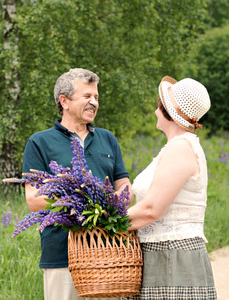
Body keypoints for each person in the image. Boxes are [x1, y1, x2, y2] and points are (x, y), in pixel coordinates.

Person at [22, 68, 132, 300]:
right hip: (62, 255)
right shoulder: (39, 142)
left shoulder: (107, 138)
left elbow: (124, 187)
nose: (94, 102)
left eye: (96, 97)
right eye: (87, 96)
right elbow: (33, 200)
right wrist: (79, 199)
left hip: (108, 252)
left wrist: (117, 202)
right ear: (64, 101)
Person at [123, 76, 217, 299]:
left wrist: (105, 224)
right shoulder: (174, 147)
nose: (156, 110)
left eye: (159, 105)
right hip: (160, 254)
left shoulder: (181, 148)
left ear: (167, 111)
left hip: (173, 256)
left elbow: (151, 209)